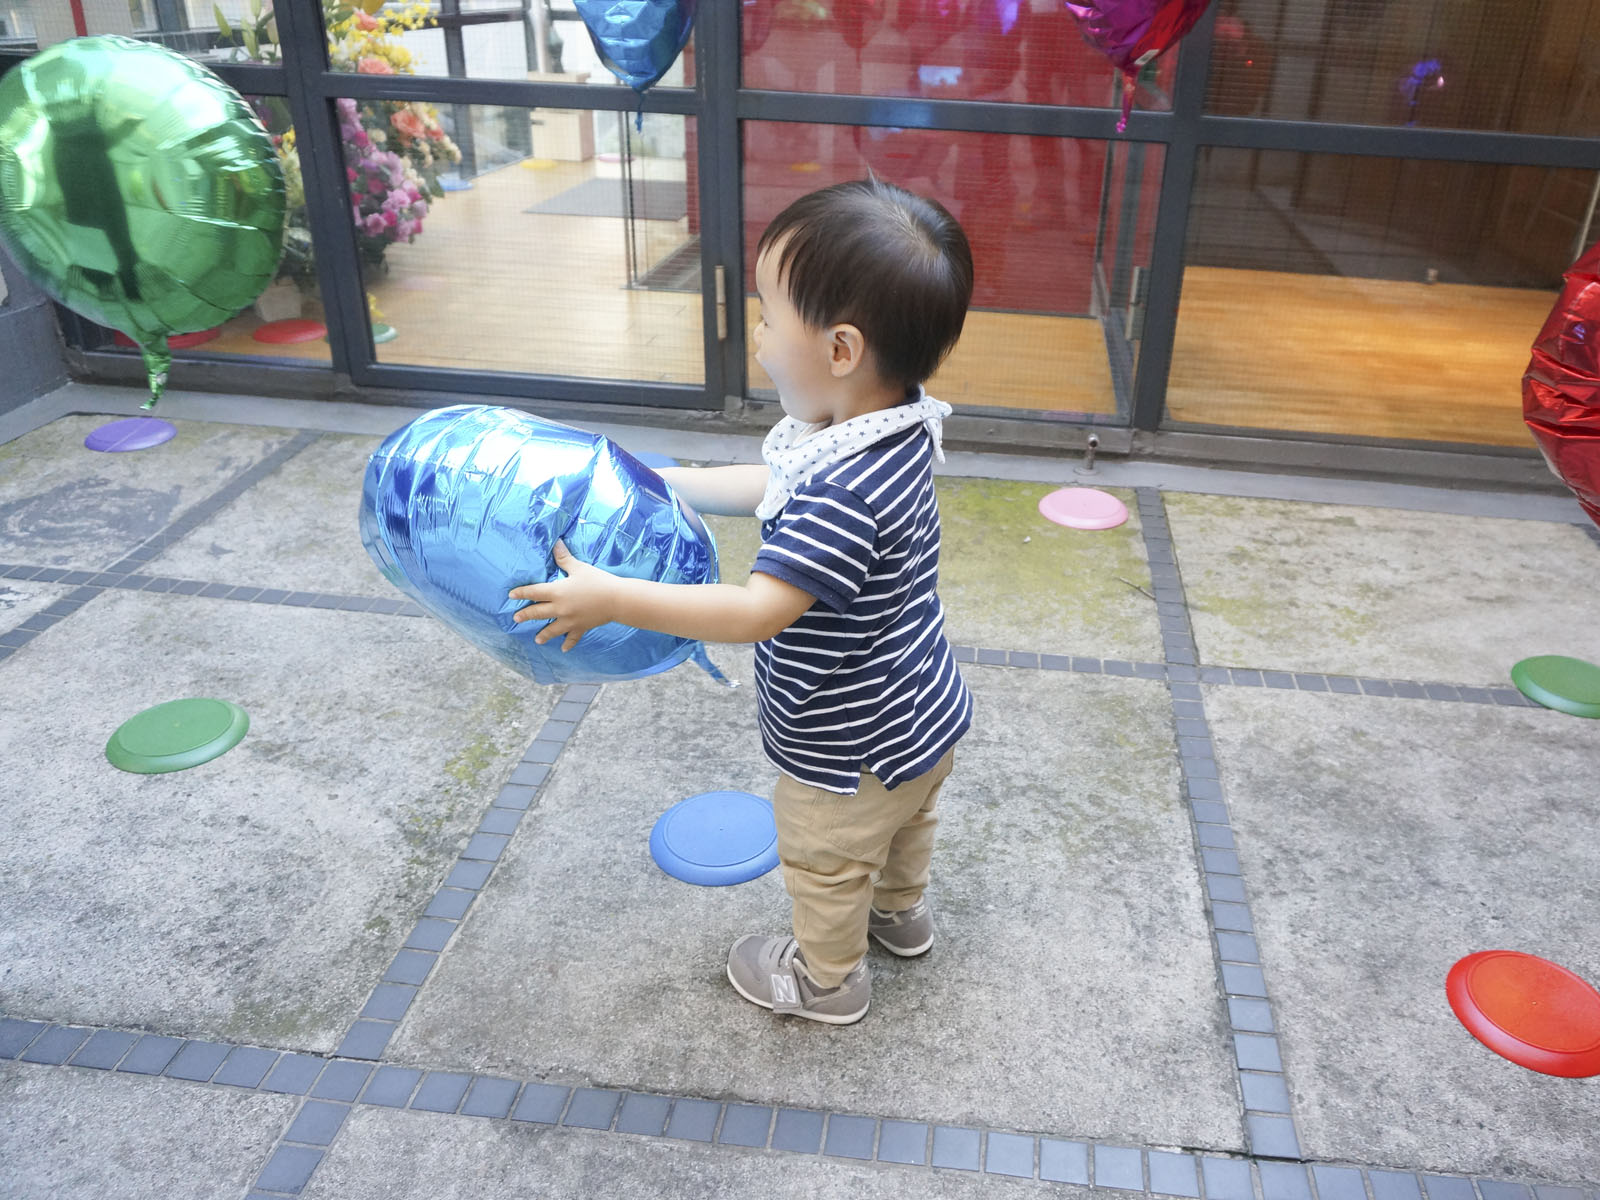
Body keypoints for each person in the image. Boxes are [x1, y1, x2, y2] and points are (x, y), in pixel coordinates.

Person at [509, 178, 975, 1025]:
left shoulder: (846, 493)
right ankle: (900, 916)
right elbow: (771, 483)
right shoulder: (883, 428)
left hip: (849, 747)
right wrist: (668, 482)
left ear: (840, 349)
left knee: (826, 860)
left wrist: (614, 598)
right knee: (906, 825)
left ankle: (828, 982)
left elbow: (756, 611)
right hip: (921, 713)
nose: (757, 335)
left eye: (767, 315)